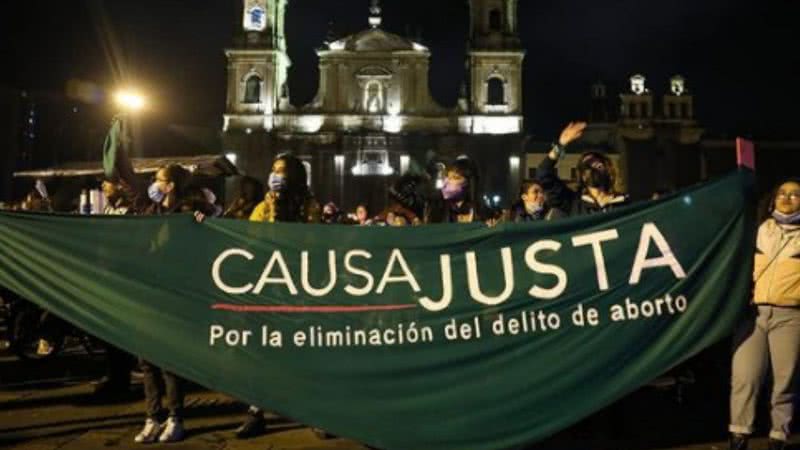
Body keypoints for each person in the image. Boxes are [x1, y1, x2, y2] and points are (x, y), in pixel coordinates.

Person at [120, 164, 217, 444]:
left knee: (169, 361)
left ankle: (176, 418)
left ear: (171, 185)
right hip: (147, 294)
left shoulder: (189, 214)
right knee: (146, 361)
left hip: (173, 296)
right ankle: (153, 417)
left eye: (158, 179)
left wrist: (205, 217)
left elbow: (206, 236)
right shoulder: (151, 212)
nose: (153, 184)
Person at [238, 154, 320, 439]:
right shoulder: (262, 206)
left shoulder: (309, 206)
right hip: (265, 288)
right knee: (259, 352)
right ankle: (255, 411)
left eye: (282, 171)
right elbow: (251, 241)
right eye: (273, 170)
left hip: (296, 288)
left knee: (301, 351)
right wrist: (270, 214)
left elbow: (309, 243)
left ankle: (313, 412)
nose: (276, 176)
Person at [729, 179, 800, 450]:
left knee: (785, 380)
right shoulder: (757, 230)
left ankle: (778, 436)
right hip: (753, 315)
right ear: (772, 200)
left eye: (795, 194)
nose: (788, 197)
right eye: (782, 193)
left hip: (790, 315)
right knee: (745, 377)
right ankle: (738, 435)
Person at [537, 121, 629, 216]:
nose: (592, 168)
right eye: (587, 166)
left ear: (608, 170)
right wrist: (560, 145)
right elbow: (543, 173)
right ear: (582, 176)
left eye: (597, 165)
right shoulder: (572, 202)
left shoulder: (623, 204)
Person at [424, 156, 483, 224]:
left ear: (469, 184)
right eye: (447, 176)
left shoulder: (484, 214)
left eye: (455, 177)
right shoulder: (435, 210)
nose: (446, 182)